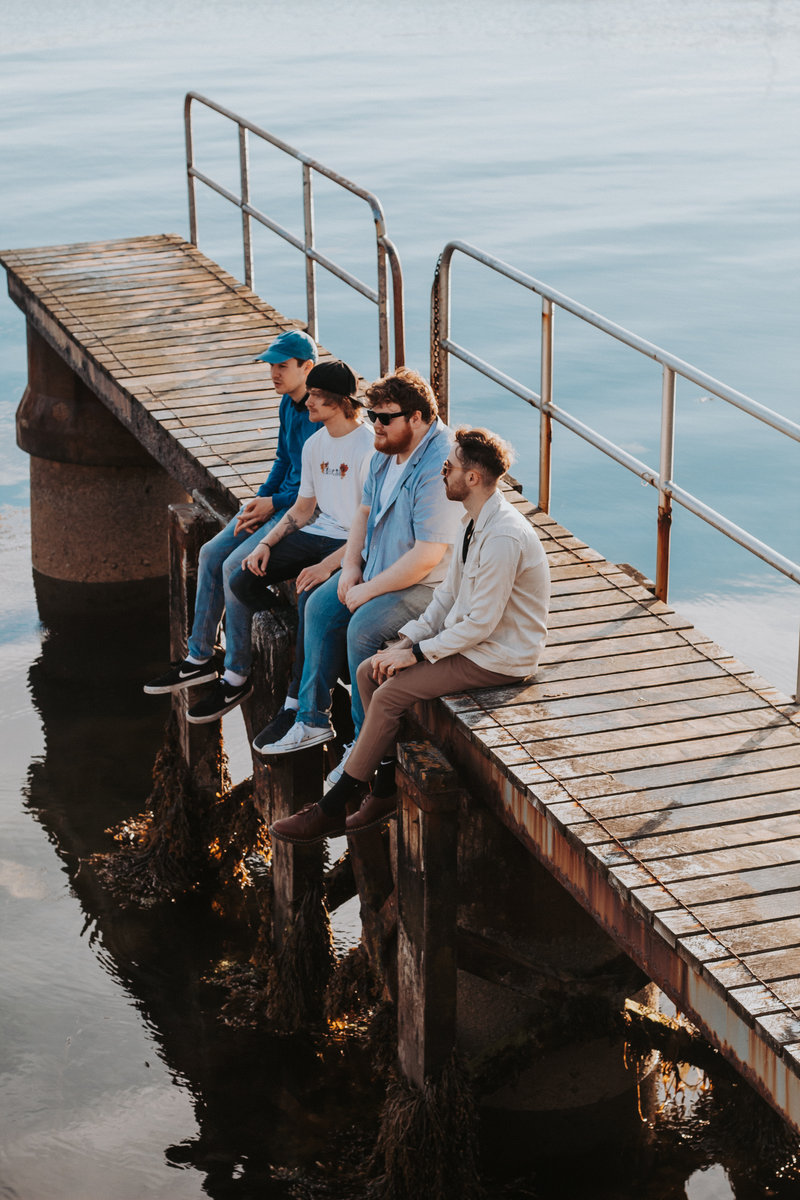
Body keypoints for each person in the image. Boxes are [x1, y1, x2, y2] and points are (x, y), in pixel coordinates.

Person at [268, 426, 550, 844]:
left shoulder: (503, 536)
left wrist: (417, 654)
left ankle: (331, 809)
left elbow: (481, 624)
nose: (442, 472)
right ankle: (383, 790)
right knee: (368, 671)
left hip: (499, 656)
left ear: (473, 478)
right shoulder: (473, 521)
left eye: (448, 467)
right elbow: (446, 597)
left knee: (389, 695)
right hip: (474, 642)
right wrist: (406, 641)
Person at [251, 366, 462, 769]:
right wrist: (350, 568)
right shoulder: (385, 449)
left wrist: (367, 590)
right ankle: (312, 719)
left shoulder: (439, 464)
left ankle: (368, 749)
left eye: (385, 417)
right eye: (372, 414)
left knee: (362, 628)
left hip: (431, 584)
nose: (375, 425)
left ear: (416, 418)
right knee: (318, 604)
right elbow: (364, 513)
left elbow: (428, 556)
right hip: (381, 566)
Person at [143, 328, 318, 715]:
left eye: (282, 366)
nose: (274, 373)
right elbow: (283, 460)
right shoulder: (287, 404)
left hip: (300, 511)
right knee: (209, 553)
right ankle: (199, 657)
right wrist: (260, 500)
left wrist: (273, 503)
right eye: (271, 366)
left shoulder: (319, 414)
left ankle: (237, 676)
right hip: (276, 502)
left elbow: (317, 491)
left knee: (234, 566)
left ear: (307, 367)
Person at [216, 360, 375, 727]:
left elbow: (369, 528)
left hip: (351, 544)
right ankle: (310, 646)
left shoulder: (368, 447)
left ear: (340, 401)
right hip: (318, 533)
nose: (308, 402)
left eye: (316, 396)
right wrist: (265, 544)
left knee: (309, 598)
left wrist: (326, 566)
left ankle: (294, 702)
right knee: (242, 579)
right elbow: (303, 509)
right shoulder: (315, 444)